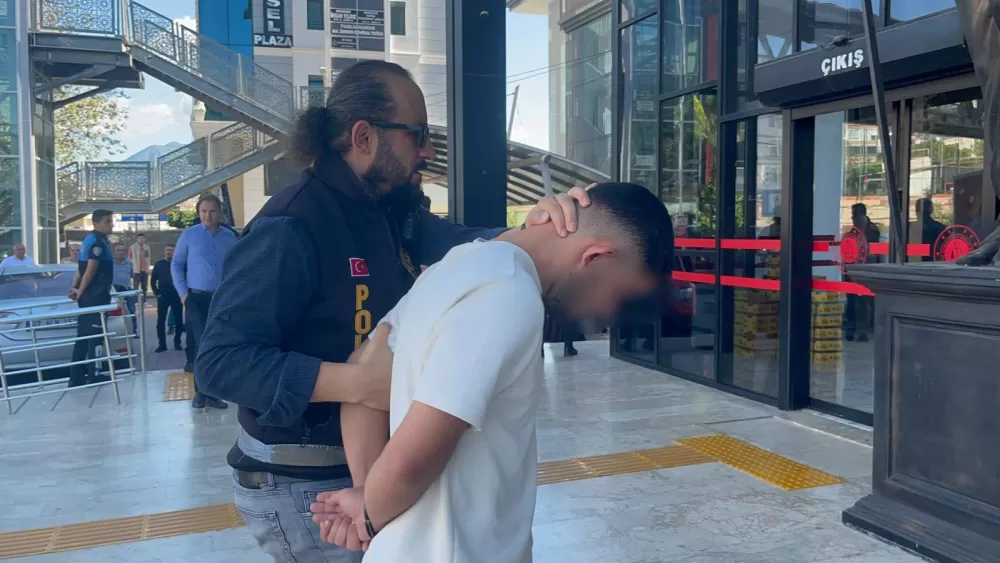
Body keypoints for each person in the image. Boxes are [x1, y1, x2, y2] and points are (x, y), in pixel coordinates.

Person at [194, 59, 590, 563]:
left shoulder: (391, 212)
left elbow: (466, 241)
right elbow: (220, 363)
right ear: (364, 137)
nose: (428, 151)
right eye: (418, 134)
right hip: (304, 482)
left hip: (364, 468)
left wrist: (537, 227)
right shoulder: (293, 225)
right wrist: (358, 383)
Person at [311, 183, 674, 562]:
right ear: (596, 257)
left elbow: (361, 377)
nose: (607, 316)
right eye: (620, 298)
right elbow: (408, 461)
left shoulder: (453, 266)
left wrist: (367, 497)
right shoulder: (508, 293)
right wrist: (368, 516)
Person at [173, 193, 236, 409]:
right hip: (196, 298)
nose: (207, 215)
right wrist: (183, 293)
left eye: (212, 211)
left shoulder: (230, 237)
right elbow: (176, 264)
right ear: (198, 212)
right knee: (202, 344)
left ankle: (209, 392)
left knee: (218, 344)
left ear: (220, 213)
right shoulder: (189, 235)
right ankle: (202, 392)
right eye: (203, 211)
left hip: (221, 299)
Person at [67, 209, 115, 388]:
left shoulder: (88, 240)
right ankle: (95, 373)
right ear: (96, 223)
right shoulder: (98, 242)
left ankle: (76, 376)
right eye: (107, 221)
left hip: (88, 295)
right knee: (95, 335)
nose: (111, 225)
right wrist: (80, 290)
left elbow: (81, 268)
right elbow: (90, 269)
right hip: (96, 295)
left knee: (83, 335)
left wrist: (75, 287)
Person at [151, 244, 183, 353]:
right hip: (163, 296)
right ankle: (162, 344)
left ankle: (177, 343)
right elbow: (153, 280)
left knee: (178, 320)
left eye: (171, 250)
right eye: (167, 250)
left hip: (176, 296)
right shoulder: (159, 264)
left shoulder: (179, 264)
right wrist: (157, 293)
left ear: (175, 252)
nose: (169, 252)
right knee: (161, 320)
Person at [112, 244, 138, 334]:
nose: (120, 252)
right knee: (113, 310)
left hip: (126, 289)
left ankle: (133, 331)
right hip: (113, 291)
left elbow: (131, 275)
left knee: (131, 310)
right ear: (114, 252)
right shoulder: (109, 263)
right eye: (118, 250)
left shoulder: (129, 263)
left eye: (122, 250)